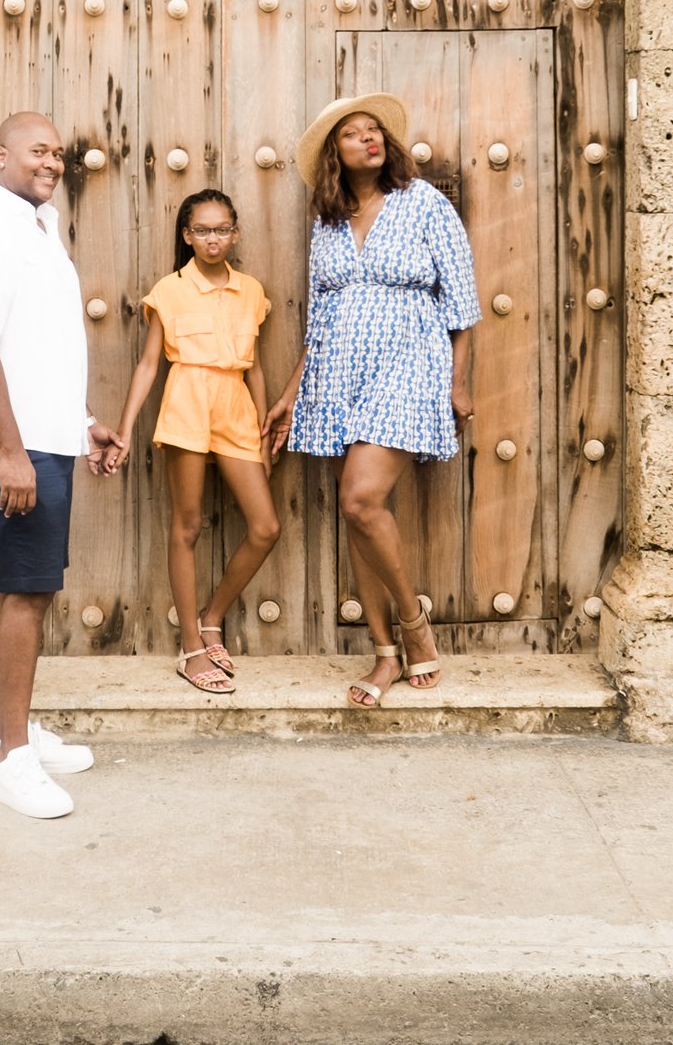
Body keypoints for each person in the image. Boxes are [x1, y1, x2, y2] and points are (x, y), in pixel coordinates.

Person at [261, 98, 479, 707]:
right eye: (353, 134)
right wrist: (291, 392)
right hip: (335, 373)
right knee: (357, 514)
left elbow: (462, 302)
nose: (369, 139)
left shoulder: (424, 202)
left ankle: (414, 625)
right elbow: (318, 318)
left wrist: (458, 383)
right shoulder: (328, 221)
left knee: (360, 498)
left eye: (374, 130)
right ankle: (384, 654)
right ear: (335, 153)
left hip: (408, 362)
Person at [0, 112, 125, 819]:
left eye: (58, 153)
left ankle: (3, 736)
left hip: (39, 436)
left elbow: (37, 348)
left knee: (14, 585)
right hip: (8, 443)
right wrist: (12, 452)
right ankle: (13, 760)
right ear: (0, 155)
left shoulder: (35, 228)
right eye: (38, 150)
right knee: (28, 593)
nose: (52, 162)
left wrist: (81, 423)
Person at [112, 189, 280, 695]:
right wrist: (124, 429)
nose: (213, 239)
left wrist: (262, 430)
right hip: (187, 399)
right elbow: (149, 366)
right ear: (187, 235)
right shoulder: (170, 289)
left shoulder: (251, 290)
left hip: (235, 405)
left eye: (222, 229)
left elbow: (255, 367)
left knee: (266, 527)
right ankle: (190, 648)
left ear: (235, 233)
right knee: (187, 525)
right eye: (202, 230)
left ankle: (212, 618)